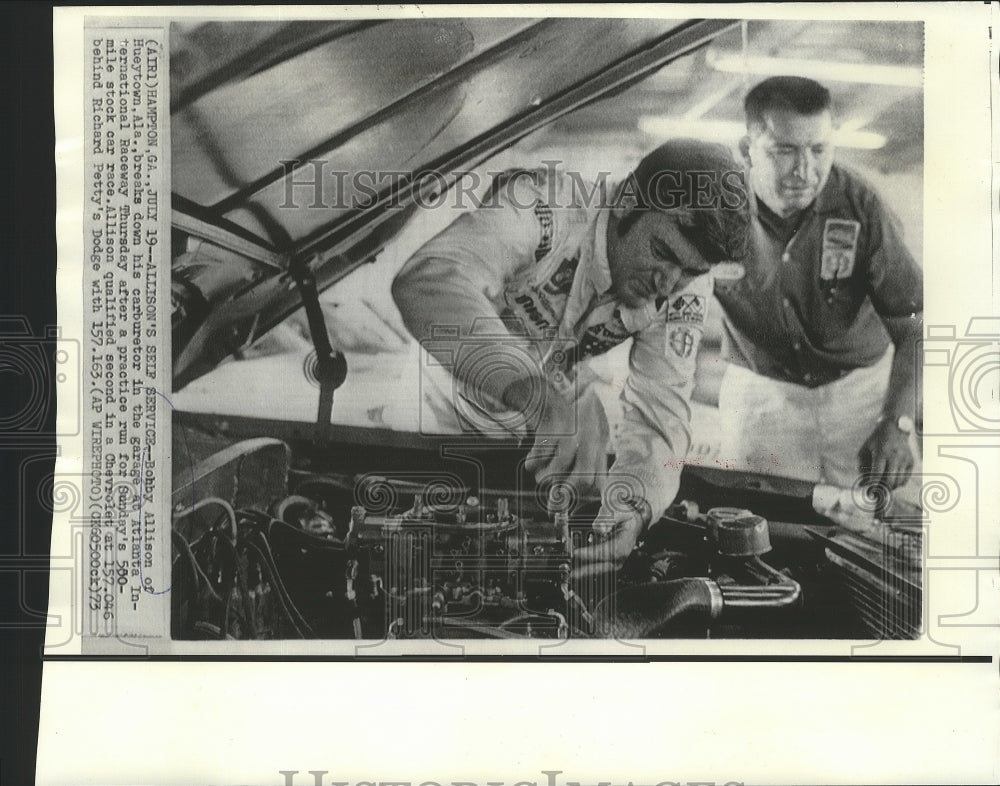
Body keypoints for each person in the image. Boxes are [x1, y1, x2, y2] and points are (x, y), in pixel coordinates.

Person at [392, 139, 750, 563]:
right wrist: (540, 395)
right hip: (431, 422)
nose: (666, 285)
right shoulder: (547, 206)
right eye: (661, 253)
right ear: (626, 200)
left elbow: (660, 414)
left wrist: (633, 510)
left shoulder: (682, 284)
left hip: (532, 446)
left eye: (690, 272)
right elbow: (430, 279)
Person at [714, 76, 922, 499]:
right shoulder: (715, 210)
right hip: (761, 397)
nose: (805, 171)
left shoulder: (862, 207)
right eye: (785, 150)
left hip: (859, 395)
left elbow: (914, 326)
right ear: (746, 149)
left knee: (887, 534)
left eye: (819, 149)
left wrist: (899, 421)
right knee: (758, 525)